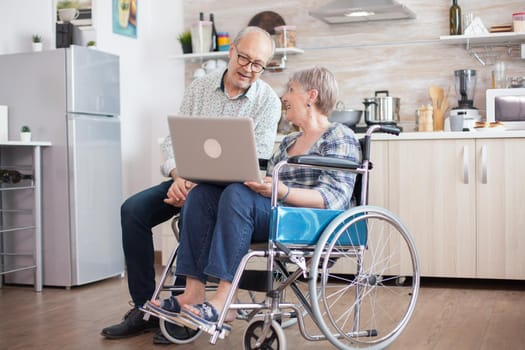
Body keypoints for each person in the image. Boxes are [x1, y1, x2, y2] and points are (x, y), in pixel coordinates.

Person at [146, 66, 361, 335]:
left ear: (311, 96)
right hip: (275, 214)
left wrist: (281, 191)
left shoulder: (339, 135)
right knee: (202, 195)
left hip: (309, 221)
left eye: (291, 90)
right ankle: (192, 293)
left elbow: (334, 198)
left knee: (237, 195)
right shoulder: (288, 142)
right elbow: (269, 187)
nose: (284, 97)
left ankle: (224, 300)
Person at [101, 26, 281, 340]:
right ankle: (144, 307)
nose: (249, 69)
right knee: (133, 211)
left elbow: (258, 161)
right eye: (244, 58)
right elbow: (174, 141)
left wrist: (198, 183)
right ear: (230, 51)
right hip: (186, 178)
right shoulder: (201, 87)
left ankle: (185, 313)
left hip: (229, 190)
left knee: (197, 207)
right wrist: (178, 176)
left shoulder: (268, 101)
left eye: (258, 64)